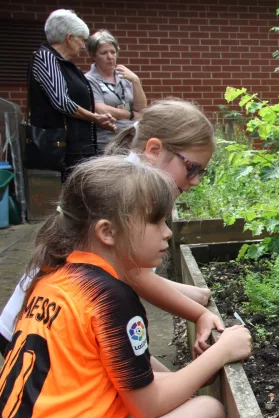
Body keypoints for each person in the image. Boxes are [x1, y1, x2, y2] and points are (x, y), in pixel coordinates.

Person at [0, 157, 252, 418]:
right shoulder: (109, 297)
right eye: (155, 221)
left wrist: (179, 383)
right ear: (107, 232)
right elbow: (148, 404)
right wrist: (221, 353)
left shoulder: (53, 278)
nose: (168, 232)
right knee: (207, 415)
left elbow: (126, 364)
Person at [0, 99, 219, 359]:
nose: (194, 181)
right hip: (38, 332)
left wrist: (195, 293)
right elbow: (137, 278)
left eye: (200, 173)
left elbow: (131, 273)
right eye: (192, 168)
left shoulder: (129, 178)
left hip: (39, 322)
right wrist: (200, 314)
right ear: (154, 149)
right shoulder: (128, 193)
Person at [27, 9, 115, 181]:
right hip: (59, 151)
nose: (83, 46)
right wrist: (95, 118)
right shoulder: (45, 57)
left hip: (76, 148)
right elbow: (61, 102)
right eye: (81, 39)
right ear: (69, 38)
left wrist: (97, 119)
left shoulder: (66, 65)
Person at [84, 29, 147, 152]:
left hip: (132, 140)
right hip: (107, 142)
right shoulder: (88, 79)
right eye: (104, 53)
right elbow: (100, 109)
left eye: (113, 52)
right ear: (93, 55)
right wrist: (131, 115)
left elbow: (141, 109)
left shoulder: (124, 76)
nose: (110, 57)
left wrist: (136, 81)